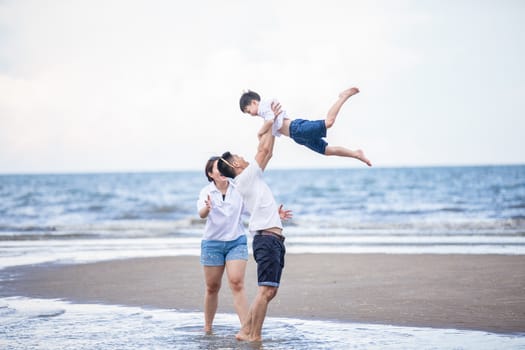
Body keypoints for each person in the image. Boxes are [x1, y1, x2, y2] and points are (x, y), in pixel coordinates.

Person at [217, 102, 291, 342]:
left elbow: (267, 152)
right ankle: (254, 336)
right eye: (240, 157)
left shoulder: (248, 179)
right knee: (266, 290)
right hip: (267, 240)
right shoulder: (246, 177)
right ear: (235, 165)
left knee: (271, 291)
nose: (244, 158)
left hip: (272, 238)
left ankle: (245, 332)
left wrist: (273, 125)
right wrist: (271, 119)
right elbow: (263, 152)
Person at [197, 155, 292, 335]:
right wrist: (207, 208)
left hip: (236, 241)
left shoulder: (238, 189)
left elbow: (253, 210)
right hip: (212, 244)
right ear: (211, 174)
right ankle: (208, 327)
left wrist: (273, 214)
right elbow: (201, 213)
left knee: (237, 283)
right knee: (212, 287)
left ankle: (245, 327)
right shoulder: (206, 192)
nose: (223, 171)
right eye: (218, 168)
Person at [239, 87, 372, 167]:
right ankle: (356, 154)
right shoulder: (265, 114)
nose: (250, 115)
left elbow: (269, 122)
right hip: (298, 136)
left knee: (329, 122)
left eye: (248, 111)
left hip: (297, 129)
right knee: (327, 150)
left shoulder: (264, 107)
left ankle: (343, 96)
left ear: (254, 102)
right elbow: (269, 146)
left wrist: (259, 133)